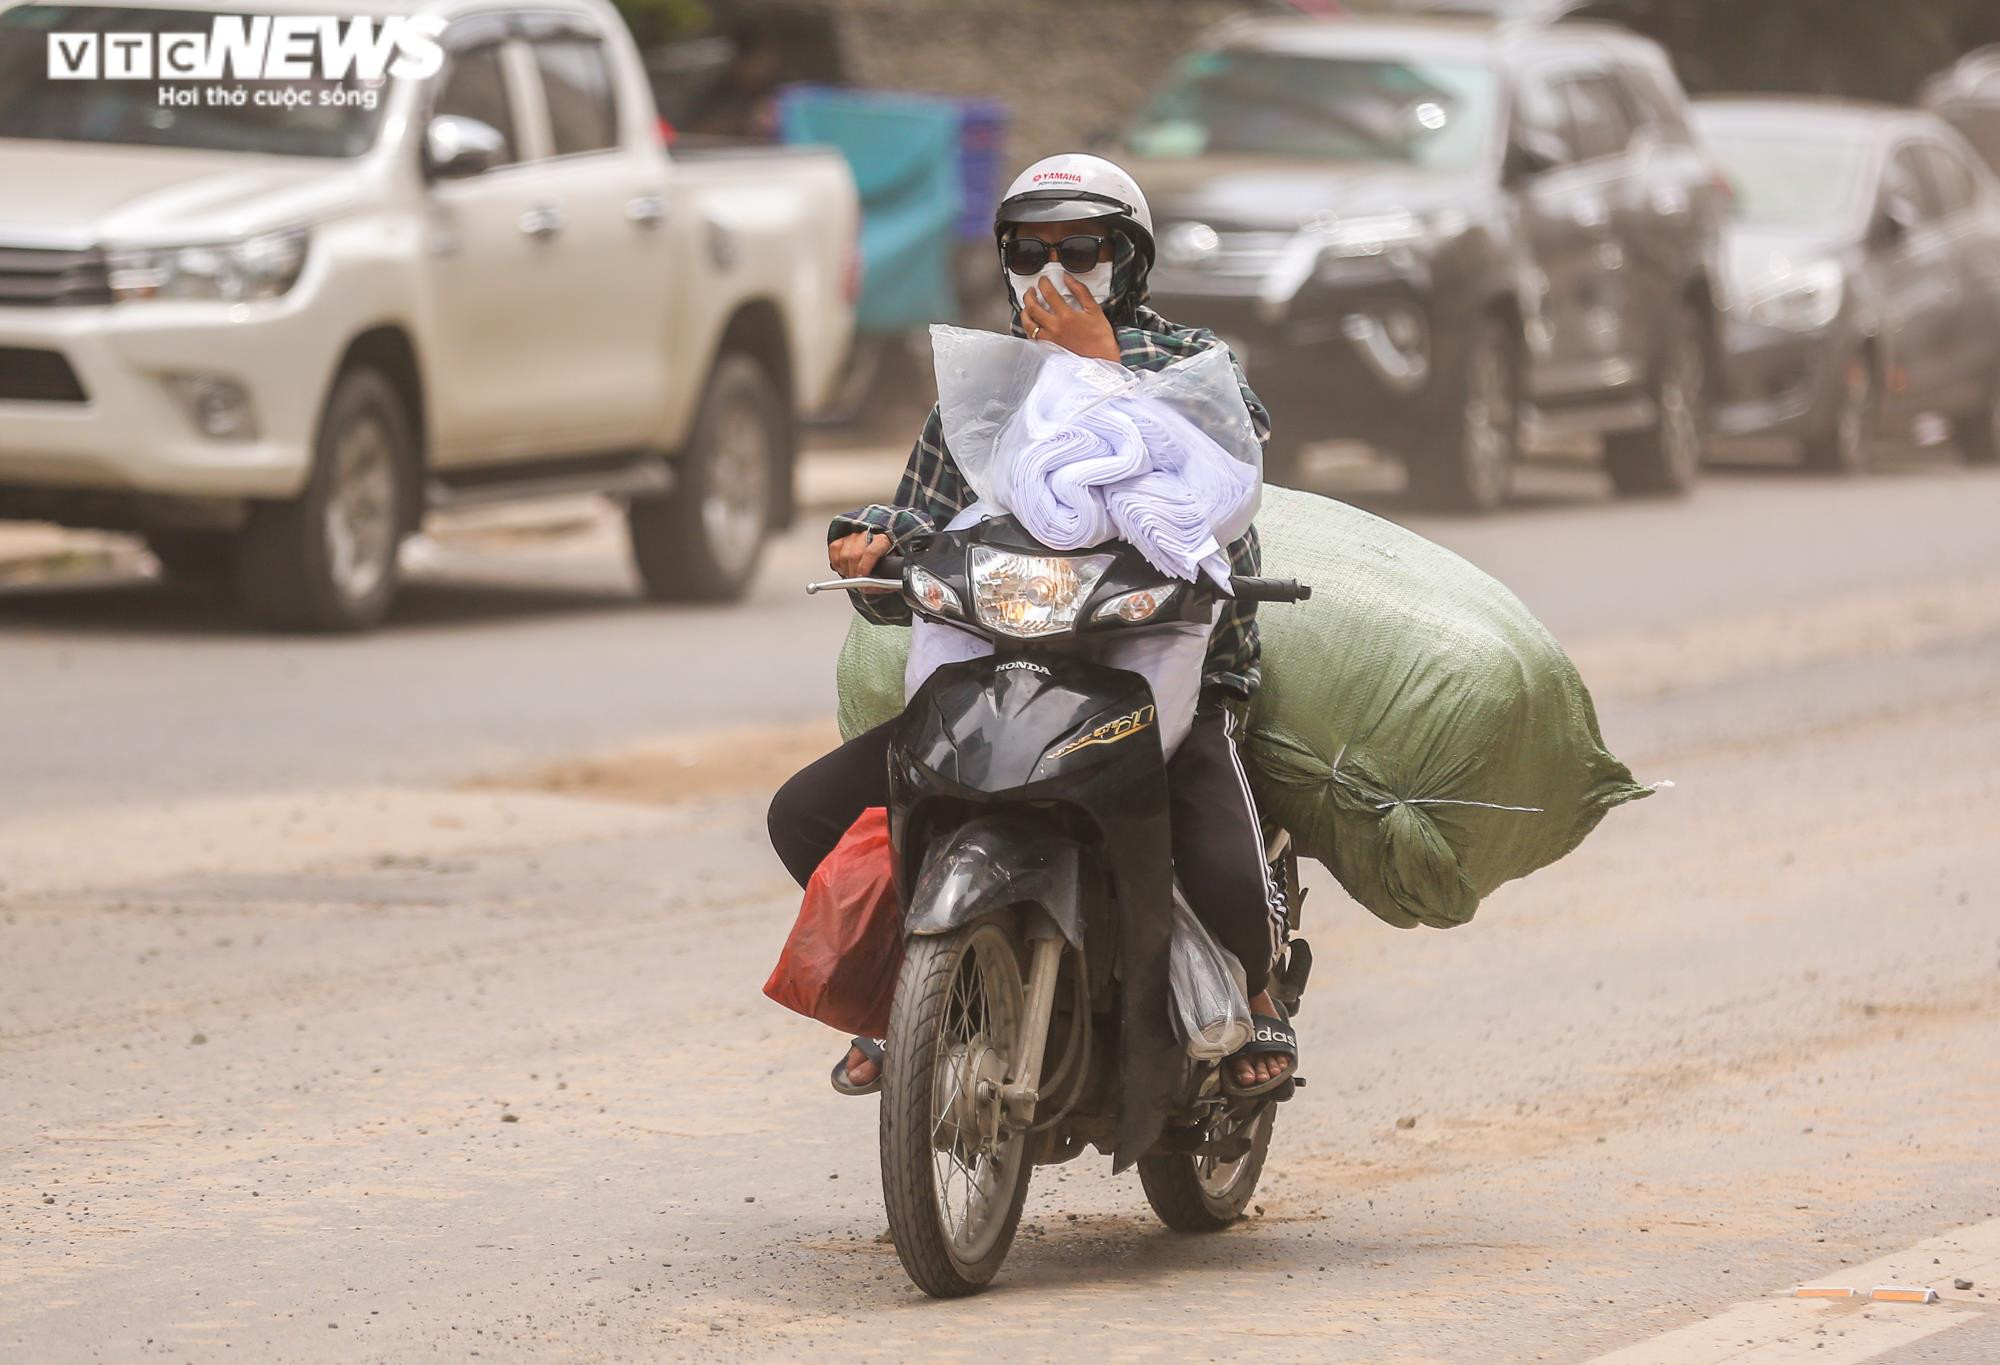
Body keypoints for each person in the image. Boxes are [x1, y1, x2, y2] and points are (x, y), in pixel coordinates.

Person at [767, 153, 1297, 1100]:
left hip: (1162, 676)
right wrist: (875, 545)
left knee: (1217, 853)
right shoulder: (984, 390)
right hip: (1002, 673)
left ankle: (1253, 989)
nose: (1053, 267)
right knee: (804, 813)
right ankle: (915, 994)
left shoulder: (1191, 363)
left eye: (1081, 247)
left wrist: (1103, 365)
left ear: (1125, 261)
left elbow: (1236, 451)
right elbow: (924, 519)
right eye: (1029, 249)